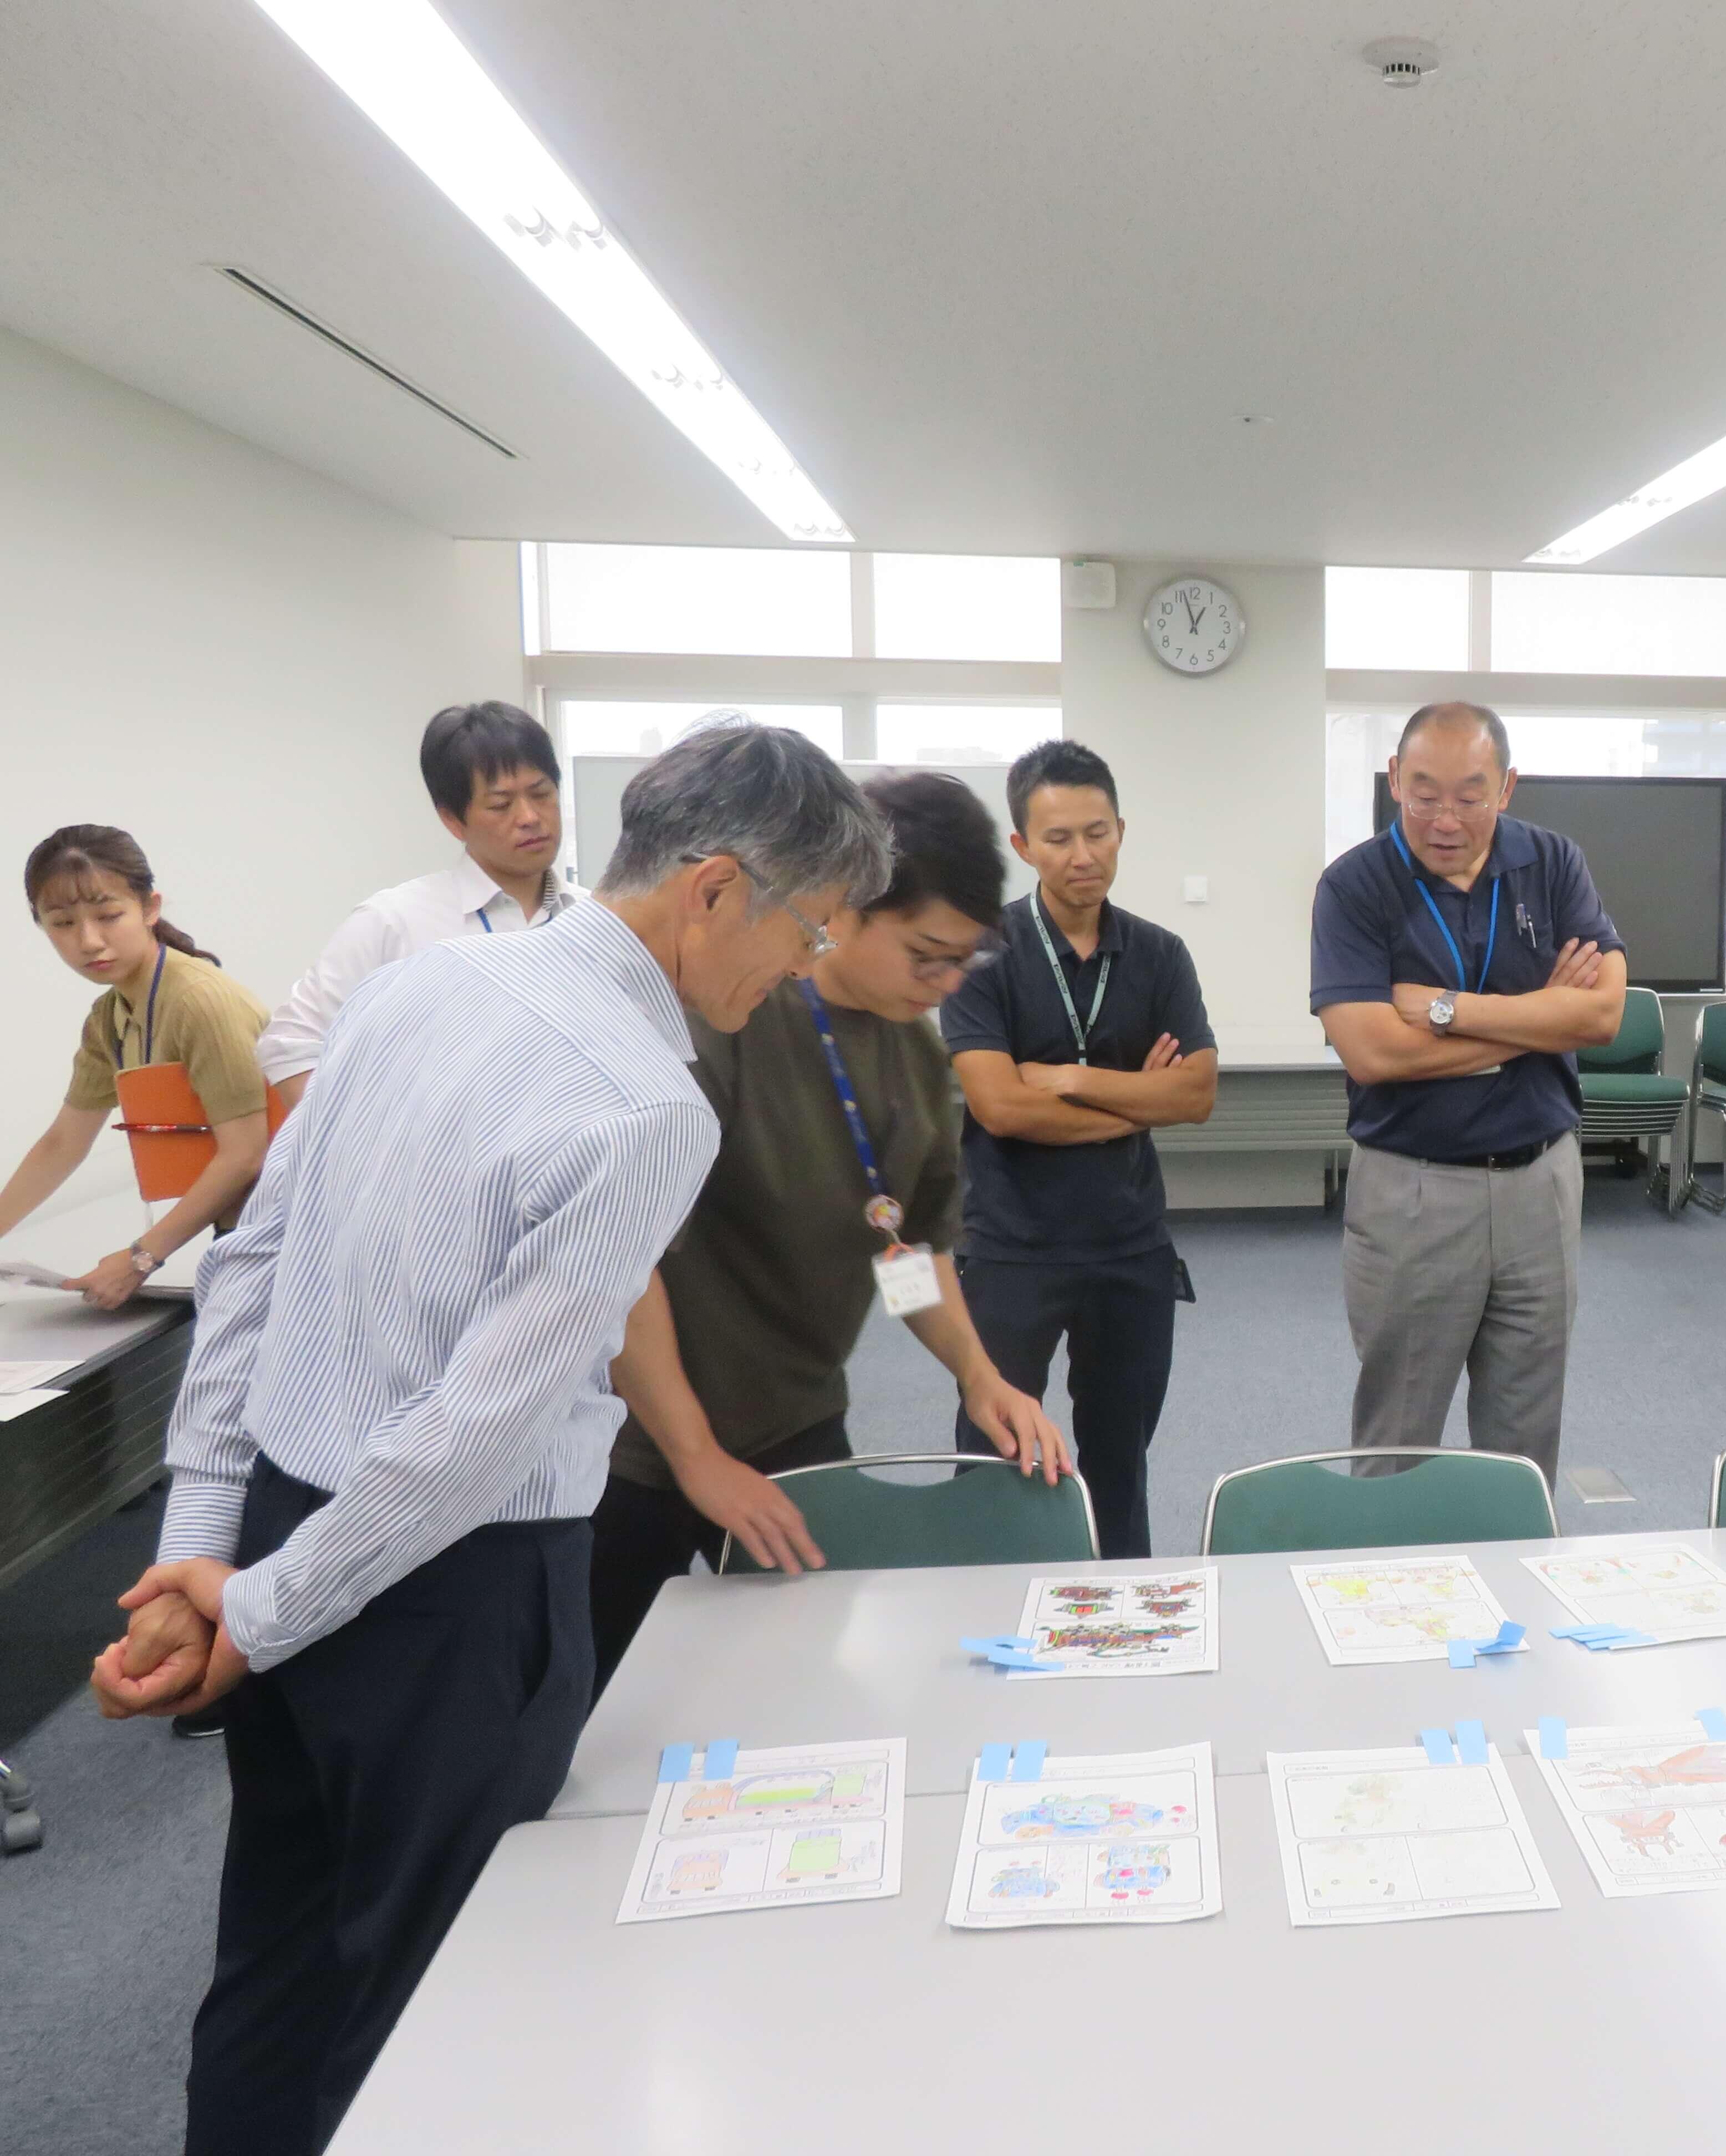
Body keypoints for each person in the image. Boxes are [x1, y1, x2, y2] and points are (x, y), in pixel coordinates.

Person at [86, 720, 893, 2155]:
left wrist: (210, 1557)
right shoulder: (646, 1106)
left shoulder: (416, 984)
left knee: (277, 1964)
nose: (805, 966)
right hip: (446, 1596)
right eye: (809, 928)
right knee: (434, 2009)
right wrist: (252, 1610)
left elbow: (250, 1265)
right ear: (714, 889)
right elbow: (475, 1435)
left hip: (281, 1528)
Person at [593, 770, 1069, 1686]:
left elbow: (904, 1251)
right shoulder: (728, 1015)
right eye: (926, 955)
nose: (946, 983)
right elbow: (622, 1264)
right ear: (845, 909)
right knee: (598, 1700)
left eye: (964, 961)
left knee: (804, 1684)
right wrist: (694, 1454)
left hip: (794, 1425)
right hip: (638, 1442)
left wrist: (980, 1378)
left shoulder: (913, 1052)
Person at [1308, 703, 1626, 1474]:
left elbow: (1602, 1015)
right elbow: (1372, 1053)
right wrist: (1539, 1020)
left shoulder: (1553, 863)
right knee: (1399, 1433)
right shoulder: (1354, 886)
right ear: (1394, 779)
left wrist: (1449, 1012)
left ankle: (1515, 1557)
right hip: (1415, 1190)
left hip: (1543, 1185)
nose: (1445, 820)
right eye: (1424, 794)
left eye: (1469, 796)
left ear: (1507, 788)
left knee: (1526, 1436)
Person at [942, 743, 1214, 1560]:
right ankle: (984, 1606)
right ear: (1023, 846)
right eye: (1058, 838)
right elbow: (999, 1108)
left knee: (1120, 1465)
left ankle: (1126, 1613)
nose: (1082, 855)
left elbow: (1196, 1096)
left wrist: (1069, 1080)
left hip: (1130, 1249)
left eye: (1098, 833)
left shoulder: (1160, 955)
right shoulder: (982, 953)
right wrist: (1136, 1101)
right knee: (993, 1459)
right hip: (1011, 1247)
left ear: (1121, 831)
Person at [257, 700, 577, 1109]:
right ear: (452, 820)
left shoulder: (597, 918)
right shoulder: (395, 922)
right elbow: (290, 1045)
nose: (530, 817)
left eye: (542, 794)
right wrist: (365, 1137)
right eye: (501, 805)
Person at [0, 827, 269, 1309]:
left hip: (287, 1233)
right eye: (63, 923)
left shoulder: (201, 1001)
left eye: (108, 916)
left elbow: (246, 1153)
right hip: (237, 1232)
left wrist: (141, 1258)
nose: (89, 941)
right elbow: (63, 1143)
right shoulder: (109, 1016)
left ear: (150, 908)